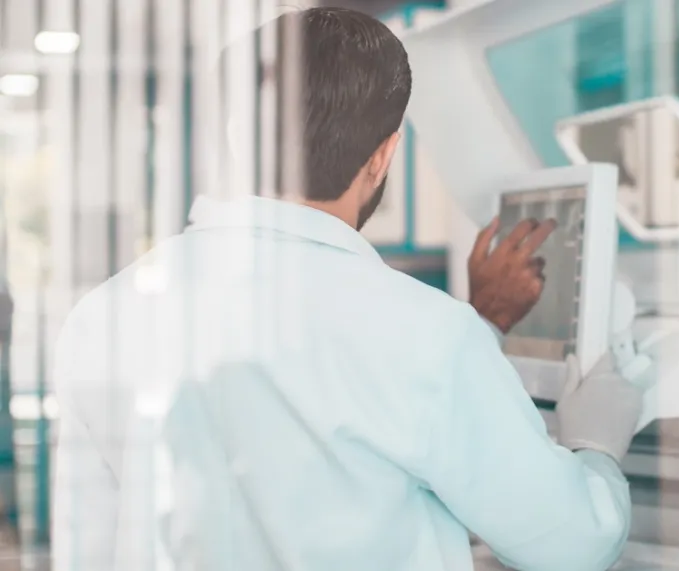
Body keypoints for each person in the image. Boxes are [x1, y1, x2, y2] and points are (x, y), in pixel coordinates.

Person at [51, 8, 648, 571]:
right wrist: (595, 445)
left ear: (237, 140)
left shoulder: (102, 316)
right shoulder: (422, 334)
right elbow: (571, 544)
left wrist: (479, 327)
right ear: (383, 157)